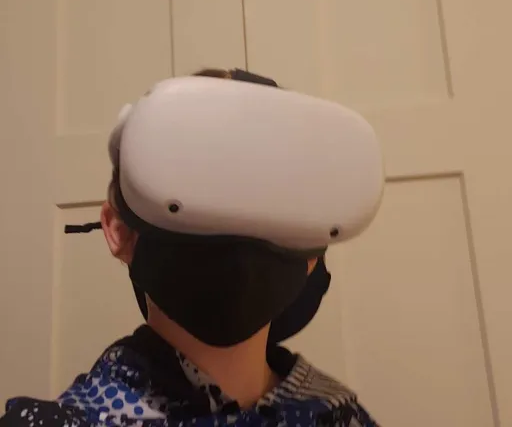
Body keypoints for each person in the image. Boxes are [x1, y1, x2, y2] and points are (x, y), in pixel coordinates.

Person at [1, 68, 382, 427]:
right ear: (119, 229)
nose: (235, 218)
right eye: (203, 174)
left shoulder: (344, 416)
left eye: (266, 183)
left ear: (314, 249)